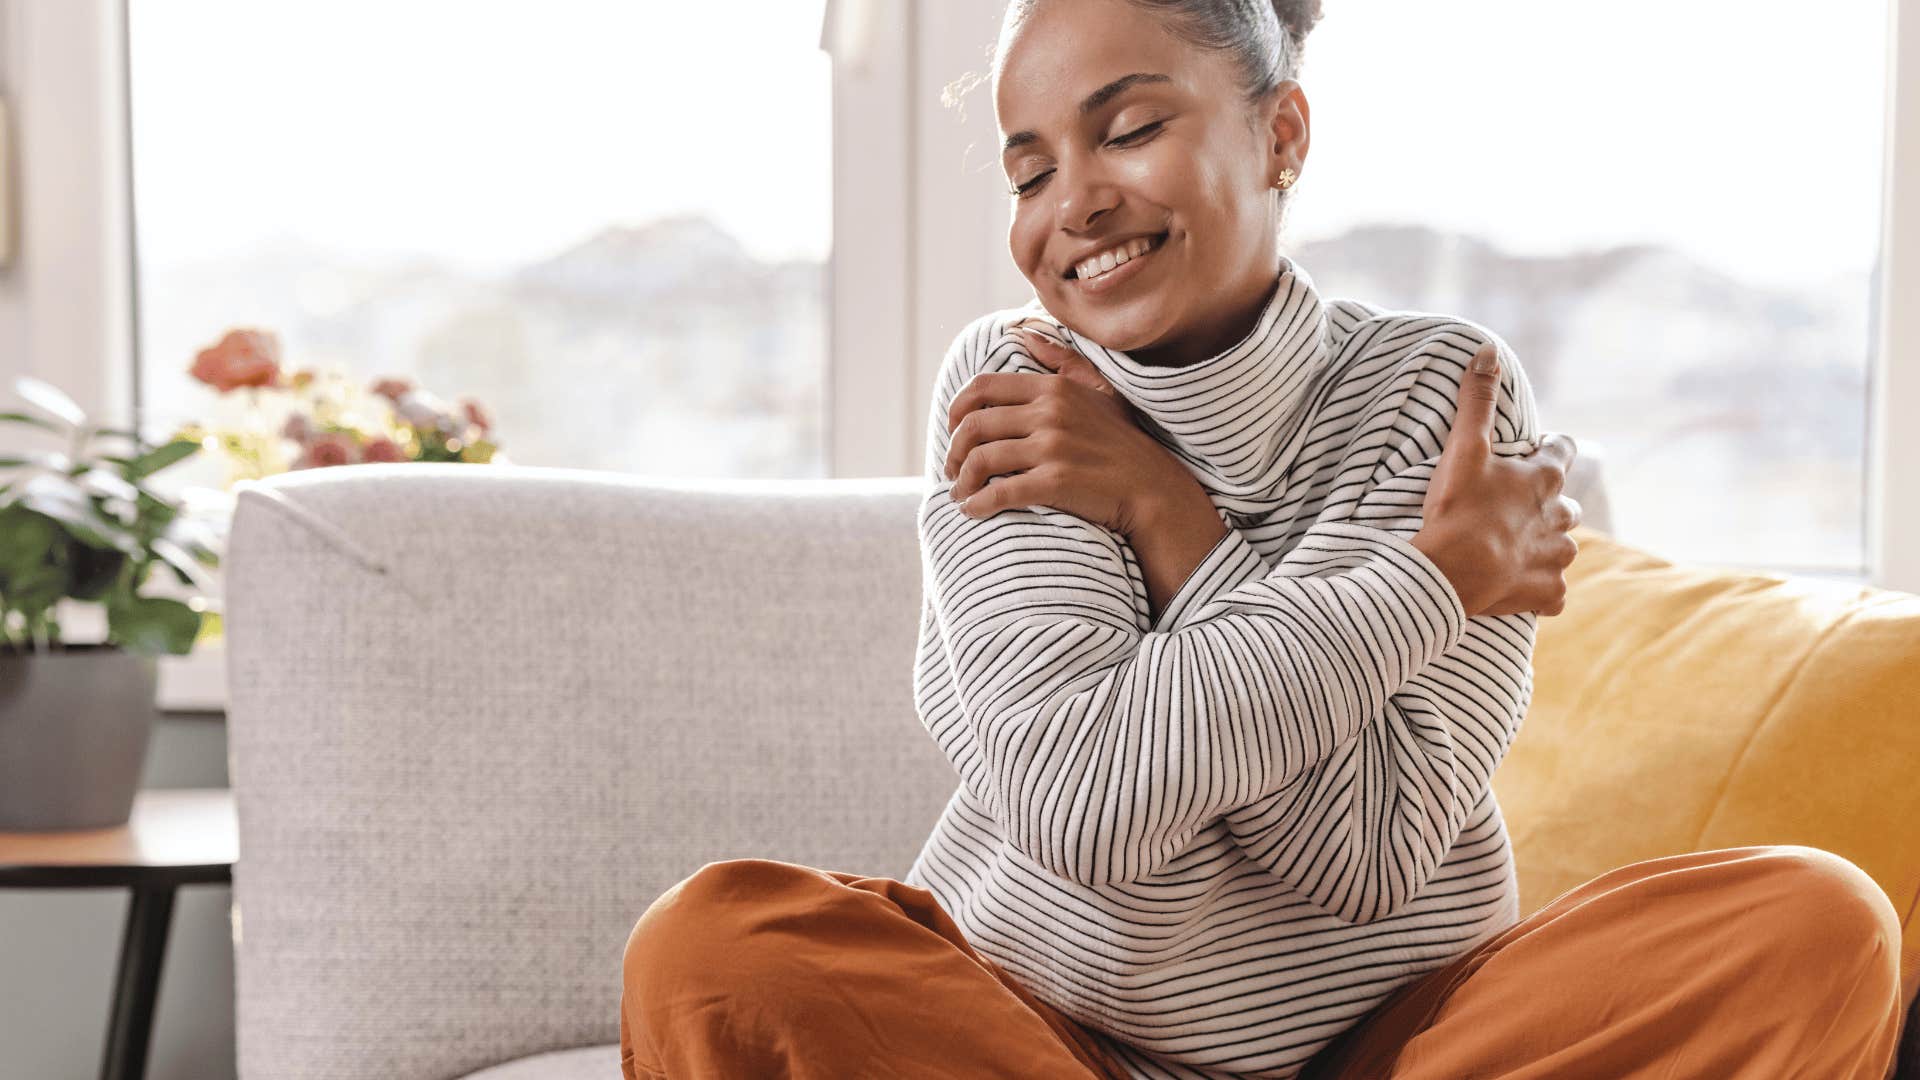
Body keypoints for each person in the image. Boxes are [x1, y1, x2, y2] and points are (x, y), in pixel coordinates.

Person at [619, 1, 1907, 1076]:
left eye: (1126, 130)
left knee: (1815, 925)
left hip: (1391, 1049)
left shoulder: (1438, 392)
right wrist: (1429, 584)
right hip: (1041, 1040)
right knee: (717, 952)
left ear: (1280, 131)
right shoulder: (1018, 383)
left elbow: (1369, 854)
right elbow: (1085, 807)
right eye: (1029, 171)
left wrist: (1173, 521)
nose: (1073, 203)